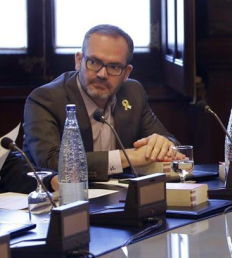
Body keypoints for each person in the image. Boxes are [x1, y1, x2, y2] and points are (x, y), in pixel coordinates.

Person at [23, 24, 180, 181]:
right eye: (93, 62)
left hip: (118, 197)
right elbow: (52, 161)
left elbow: (171, 142)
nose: (102, 74)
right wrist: (128, 157)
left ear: (126, 73)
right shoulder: (45, 99)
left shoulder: (133, 92)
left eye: (114, 66)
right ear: (78, 61)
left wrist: (163, 144)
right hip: (59, 199)